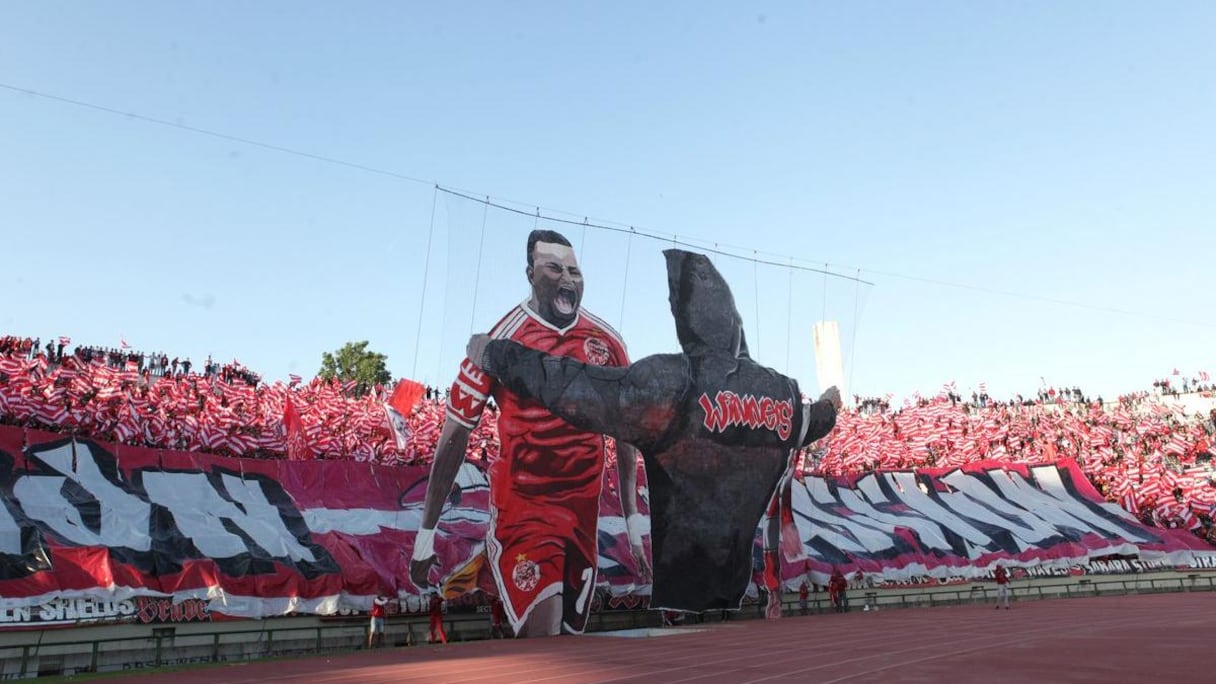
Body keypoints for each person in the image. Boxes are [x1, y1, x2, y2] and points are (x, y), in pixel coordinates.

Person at [465, 249, 840, 614]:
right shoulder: (780, 391)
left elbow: (574, 386)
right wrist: (829, 405)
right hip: (735, 585)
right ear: (734, 319)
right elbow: (811, 422)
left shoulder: (671, 383)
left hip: (682, 586)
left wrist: (496, 355)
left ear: (686, 317)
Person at [410, 229, 649, 638]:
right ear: (530, 273)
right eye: (554, 268)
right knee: (544, 631)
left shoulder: (607, 343)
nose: (567, 279)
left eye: (574, 270)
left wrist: (633, 524)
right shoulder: (499, 342)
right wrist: (424, 536)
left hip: (581, 517)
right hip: (526, 513)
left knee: (569, 638)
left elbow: (625, 435)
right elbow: (454, 437)